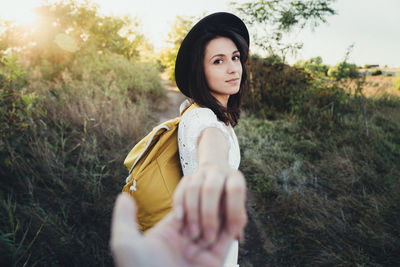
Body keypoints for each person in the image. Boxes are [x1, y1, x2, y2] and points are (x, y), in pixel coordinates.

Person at [111, 12, 250, 267]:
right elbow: (211, 141)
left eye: (235, 57)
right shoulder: (201, 118)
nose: (233, 68)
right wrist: (213, 168)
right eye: (218, 61)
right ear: (201, 70)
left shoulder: (215, 113)